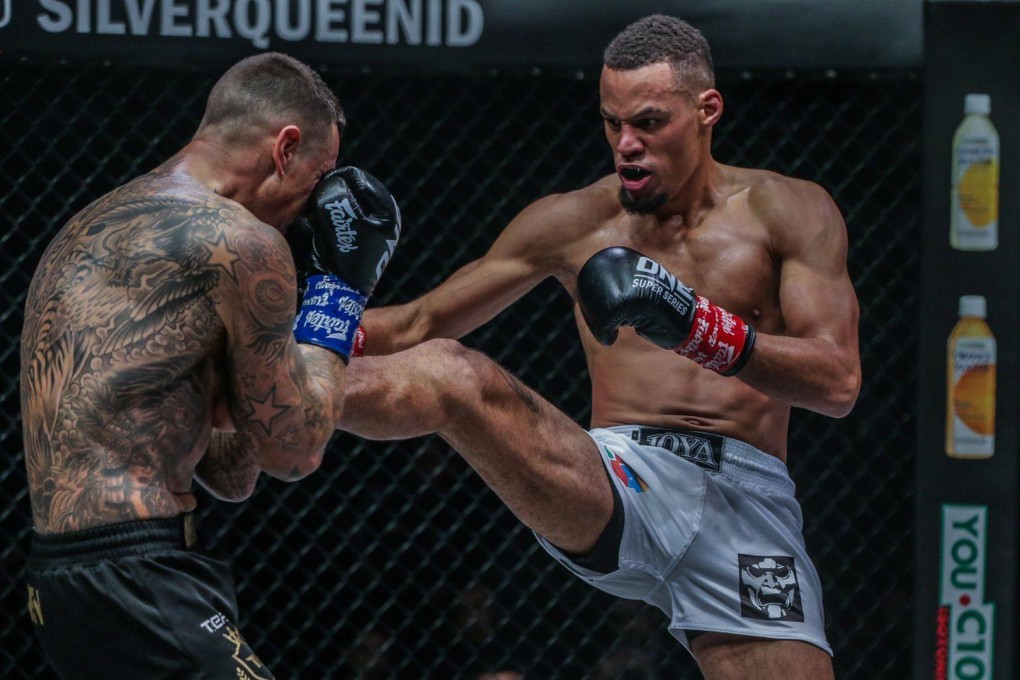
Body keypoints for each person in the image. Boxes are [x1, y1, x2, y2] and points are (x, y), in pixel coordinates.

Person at [337, 14, 859, 680]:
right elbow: (418, 322)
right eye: (612, 123)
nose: (626, 145)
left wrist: (695, 325)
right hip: (618, 478)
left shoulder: (789, 210)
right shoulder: (576, 221)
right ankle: (266, 389)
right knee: (451, 374)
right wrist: (287, 328)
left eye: (648, 122)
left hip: (745, 501)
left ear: (707, 110)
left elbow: (838, 382)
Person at [20, 52, 401, 679]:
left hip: (60, 582)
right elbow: (294, 452)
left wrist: (252, 362)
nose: (315, 203)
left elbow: (231, 474)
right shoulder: (242, 245)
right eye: (320, 175)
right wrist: (338, 292)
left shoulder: (90, 225)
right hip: (139, 576)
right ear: (285, 148)